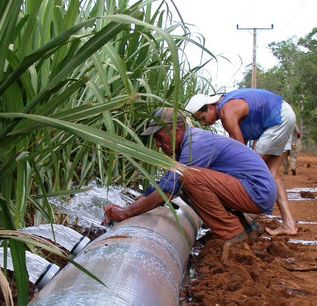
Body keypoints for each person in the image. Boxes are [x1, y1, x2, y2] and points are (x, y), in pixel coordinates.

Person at [103, 107, 277, 243]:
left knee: (188, 178)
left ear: (175, 131)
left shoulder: (196, 144)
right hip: (252, 189)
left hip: (257, 191)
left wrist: (126, 213)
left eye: (159, 137)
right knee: (184, 180)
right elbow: (164, 184)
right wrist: (132, 205)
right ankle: (246, 227)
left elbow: (168, 191)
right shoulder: (189, 144)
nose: (157, 144)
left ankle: (234, 234)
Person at [185, 88, 297, 236]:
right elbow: (241, 142)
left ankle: (247, 221)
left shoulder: (226, 111)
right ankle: (289, 224)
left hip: (278, 118)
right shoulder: (229, 105)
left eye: (202, 118)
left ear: (210, 107)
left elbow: (239, 153)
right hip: (283, 115)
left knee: (251, 169)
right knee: (272, 173)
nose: (203, 124)